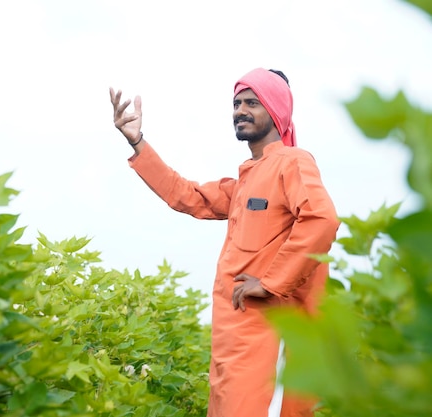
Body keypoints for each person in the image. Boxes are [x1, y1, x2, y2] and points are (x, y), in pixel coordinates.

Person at [109, 68, 340, 417]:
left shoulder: (293, 162)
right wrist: (137, 141)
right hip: (233, 341)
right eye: (236, 103)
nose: (239, 110)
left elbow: (322, 219)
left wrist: (272, 283)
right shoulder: (245, 180)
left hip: (267, 337)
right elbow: (185, 194)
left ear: (277, 111)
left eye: (251, 102)